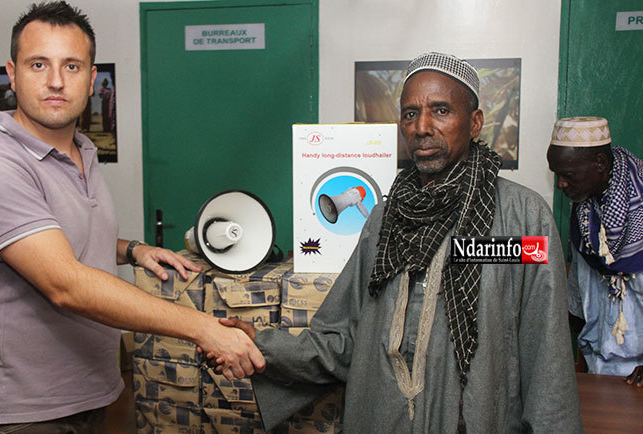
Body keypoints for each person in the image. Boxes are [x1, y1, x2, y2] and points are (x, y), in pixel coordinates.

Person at [210, 52, 582, 432]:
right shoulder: (383, 220)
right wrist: (263, 344)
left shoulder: (523, 220)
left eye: (441, 111)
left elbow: (546, 354)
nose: (422, 126)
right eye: (409, 114)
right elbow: (341, 339)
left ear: (474, 123)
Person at [0, 2, 264, 432]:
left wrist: (134, 250)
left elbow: (58, 234)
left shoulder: (80, 150)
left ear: (92, 77)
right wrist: (203, 329)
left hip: (90, 392)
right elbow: (65, 283)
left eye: (72, 66)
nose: (56, 81)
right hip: (24, 411)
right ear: (11, 72)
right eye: (38, 64)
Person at [547, 117, 643, 386]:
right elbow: (579, 294)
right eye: (556, 174)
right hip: (597, 366)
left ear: (600, 163)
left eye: (568, 175)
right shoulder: (585, 209)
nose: (560, 185)